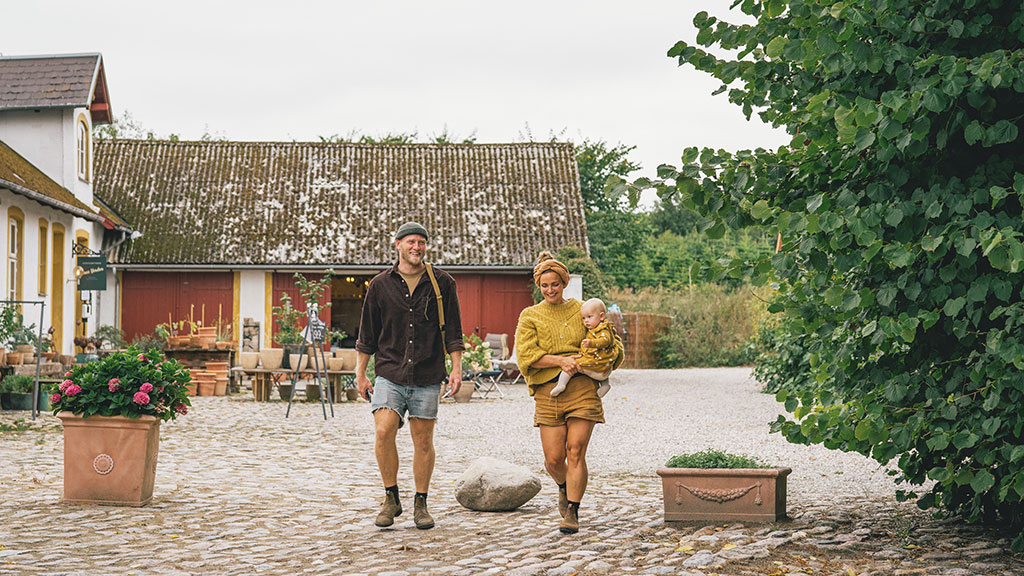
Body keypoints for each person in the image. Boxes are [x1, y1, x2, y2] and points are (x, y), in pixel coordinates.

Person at [355, 221, 464, 530]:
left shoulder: (443, 283)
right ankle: (391, 498)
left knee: (423, 441)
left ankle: (421, 503)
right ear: (398, 245)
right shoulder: (379, 285)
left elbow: (454, 332)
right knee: (383, 429)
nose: (417, 247)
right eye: (411, 242)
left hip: (428, 373)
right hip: (389, 371)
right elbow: (367, 335)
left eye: (421, 242)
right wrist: (361, 374)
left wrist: (456, 369)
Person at [515, 252, 623, 534]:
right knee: (553, 459)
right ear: (539, 286)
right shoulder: (530, 316)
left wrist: (606, 359)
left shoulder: (582, 308)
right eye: (545, 285)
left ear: (564, 283)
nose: (551, 290)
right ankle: (563, 486)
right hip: (548, 390)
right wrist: (560, 361)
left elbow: (612, 339)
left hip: (582, 387)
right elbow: (526, 356)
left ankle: (572, 510)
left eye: (556, 284)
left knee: (575, 451)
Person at [549, 297, 616, 399]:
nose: (586, 321)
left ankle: (561, 384)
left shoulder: (603, 330)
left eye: (589, 317)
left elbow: (605, 341)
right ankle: (605, 385)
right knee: (602, 364)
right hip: (602, 362)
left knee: (572, 364)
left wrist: (591, 343)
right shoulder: (595, 328)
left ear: (601, 316)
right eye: (584, 318)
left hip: (597, 360)